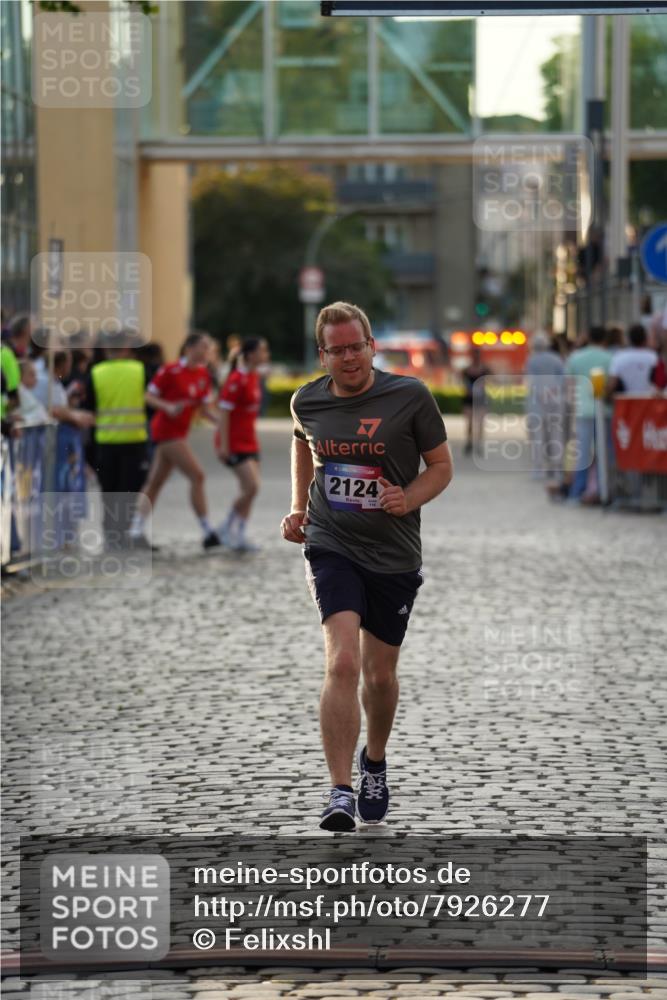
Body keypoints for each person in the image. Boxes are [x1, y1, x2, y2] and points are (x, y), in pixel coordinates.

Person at [280, 301, 453, 832]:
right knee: (343, 664)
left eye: (357, 346)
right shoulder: (307, 400)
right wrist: (299, 507)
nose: (349, 357)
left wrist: (408, 497)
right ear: (323, 355)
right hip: (332, 544)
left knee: (379, 675)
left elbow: (441, 466)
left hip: (394, 553)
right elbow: (302, 445)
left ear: (372, 346)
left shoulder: (410, 396)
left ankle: (373, 761)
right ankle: (339, 791)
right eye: (338, 350)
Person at [129, 331, 223, 550]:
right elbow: (148, 397)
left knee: (155, 482)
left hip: (180, 433)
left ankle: (135, 531)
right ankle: (207, 531)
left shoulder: (203, 374)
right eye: (203, 346)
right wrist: (168, 407)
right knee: (197, 475)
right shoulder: (170, 370)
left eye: (208, 347)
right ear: (189, 348)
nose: (207, 351)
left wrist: (221, 422)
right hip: (166, 432)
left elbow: (204, 409)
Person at [85, 339, 150, 548]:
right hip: (134, 441)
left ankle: (110, 535)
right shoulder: (139, 370)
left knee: (109, 492)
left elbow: (89, 408)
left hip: (105, 442)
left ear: (106, 349)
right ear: (127, 348)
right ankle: (122, 533)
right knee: (129, 491)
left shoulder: (96, 372)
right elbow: (151, 403)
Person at [216, 337, 270, 552]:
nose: (266, 354)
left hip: (250, 441)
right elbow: (224, 413)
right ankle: (226, 527)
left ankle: (238, 534)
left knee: (250, 490)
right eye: (262, 350)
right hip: (234, 442)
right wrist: (223, 445)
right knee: (252, 486)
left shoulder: (253, 376)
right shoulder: (236, 379)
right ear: (250, 354)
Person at [564, 326, 611, 501]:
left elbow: (569, 385)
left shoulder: (575, 357)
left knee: (582, 453)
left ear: (588, 337)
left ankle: (577, 491)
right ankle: (602, 489)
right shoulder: (610, 357)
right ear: (604, 339)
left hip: (582, 409)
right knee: (604, 452)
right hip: (604, 410)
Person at [525, 332, 565, 491]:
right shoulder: (556, 359)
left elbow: (530, 381)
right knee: (556, 436)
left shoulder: (531, 360)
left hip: (537, 403)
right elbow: (562, 380)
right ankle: (557, 468)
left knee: (538, 438)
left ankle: (538, 468)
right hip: (555, 402)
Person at [606, 324, 658, 397]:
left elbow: (611, 385)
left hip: (625, 401)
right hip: (649, 400)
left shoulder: (619, 357)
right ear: (645, 338)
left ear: (629, 339)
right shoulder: (653, 357)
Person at [461, 347, 491, 456]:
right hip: (469, 399)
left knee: (480, 423)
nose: (476, 357)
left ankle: (479, 444)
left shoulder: (485, 369)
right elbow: (463, 382)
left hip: (481, 399)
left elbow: (490, 380)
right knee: (469, 423)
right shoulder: (466, 370)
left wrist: (483, 385)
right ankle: (469, 442)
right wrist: (468, 389)